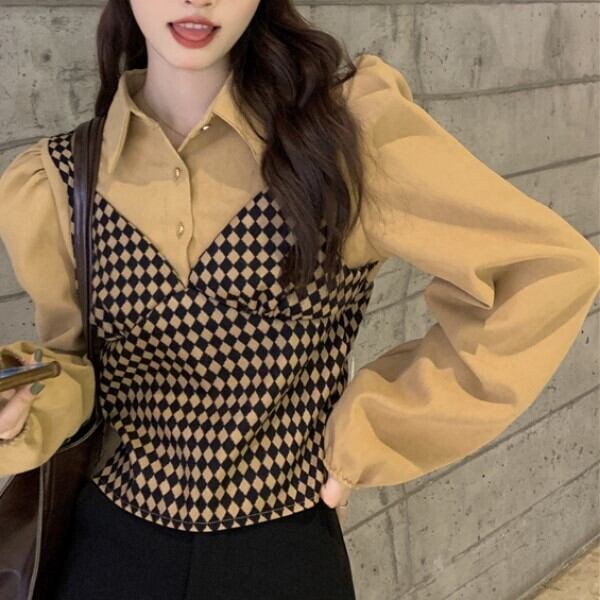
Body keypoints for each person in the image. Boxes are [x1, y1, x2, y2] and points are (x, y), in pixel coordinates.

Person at [0, 0, 598, 598]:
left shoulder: (340, 139)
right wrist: (22, 410)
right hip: (111, 549)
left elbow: (545, 269)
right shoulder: (62, 178)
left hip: (283, 549)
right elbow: (74, 367)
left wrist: (371, 434)